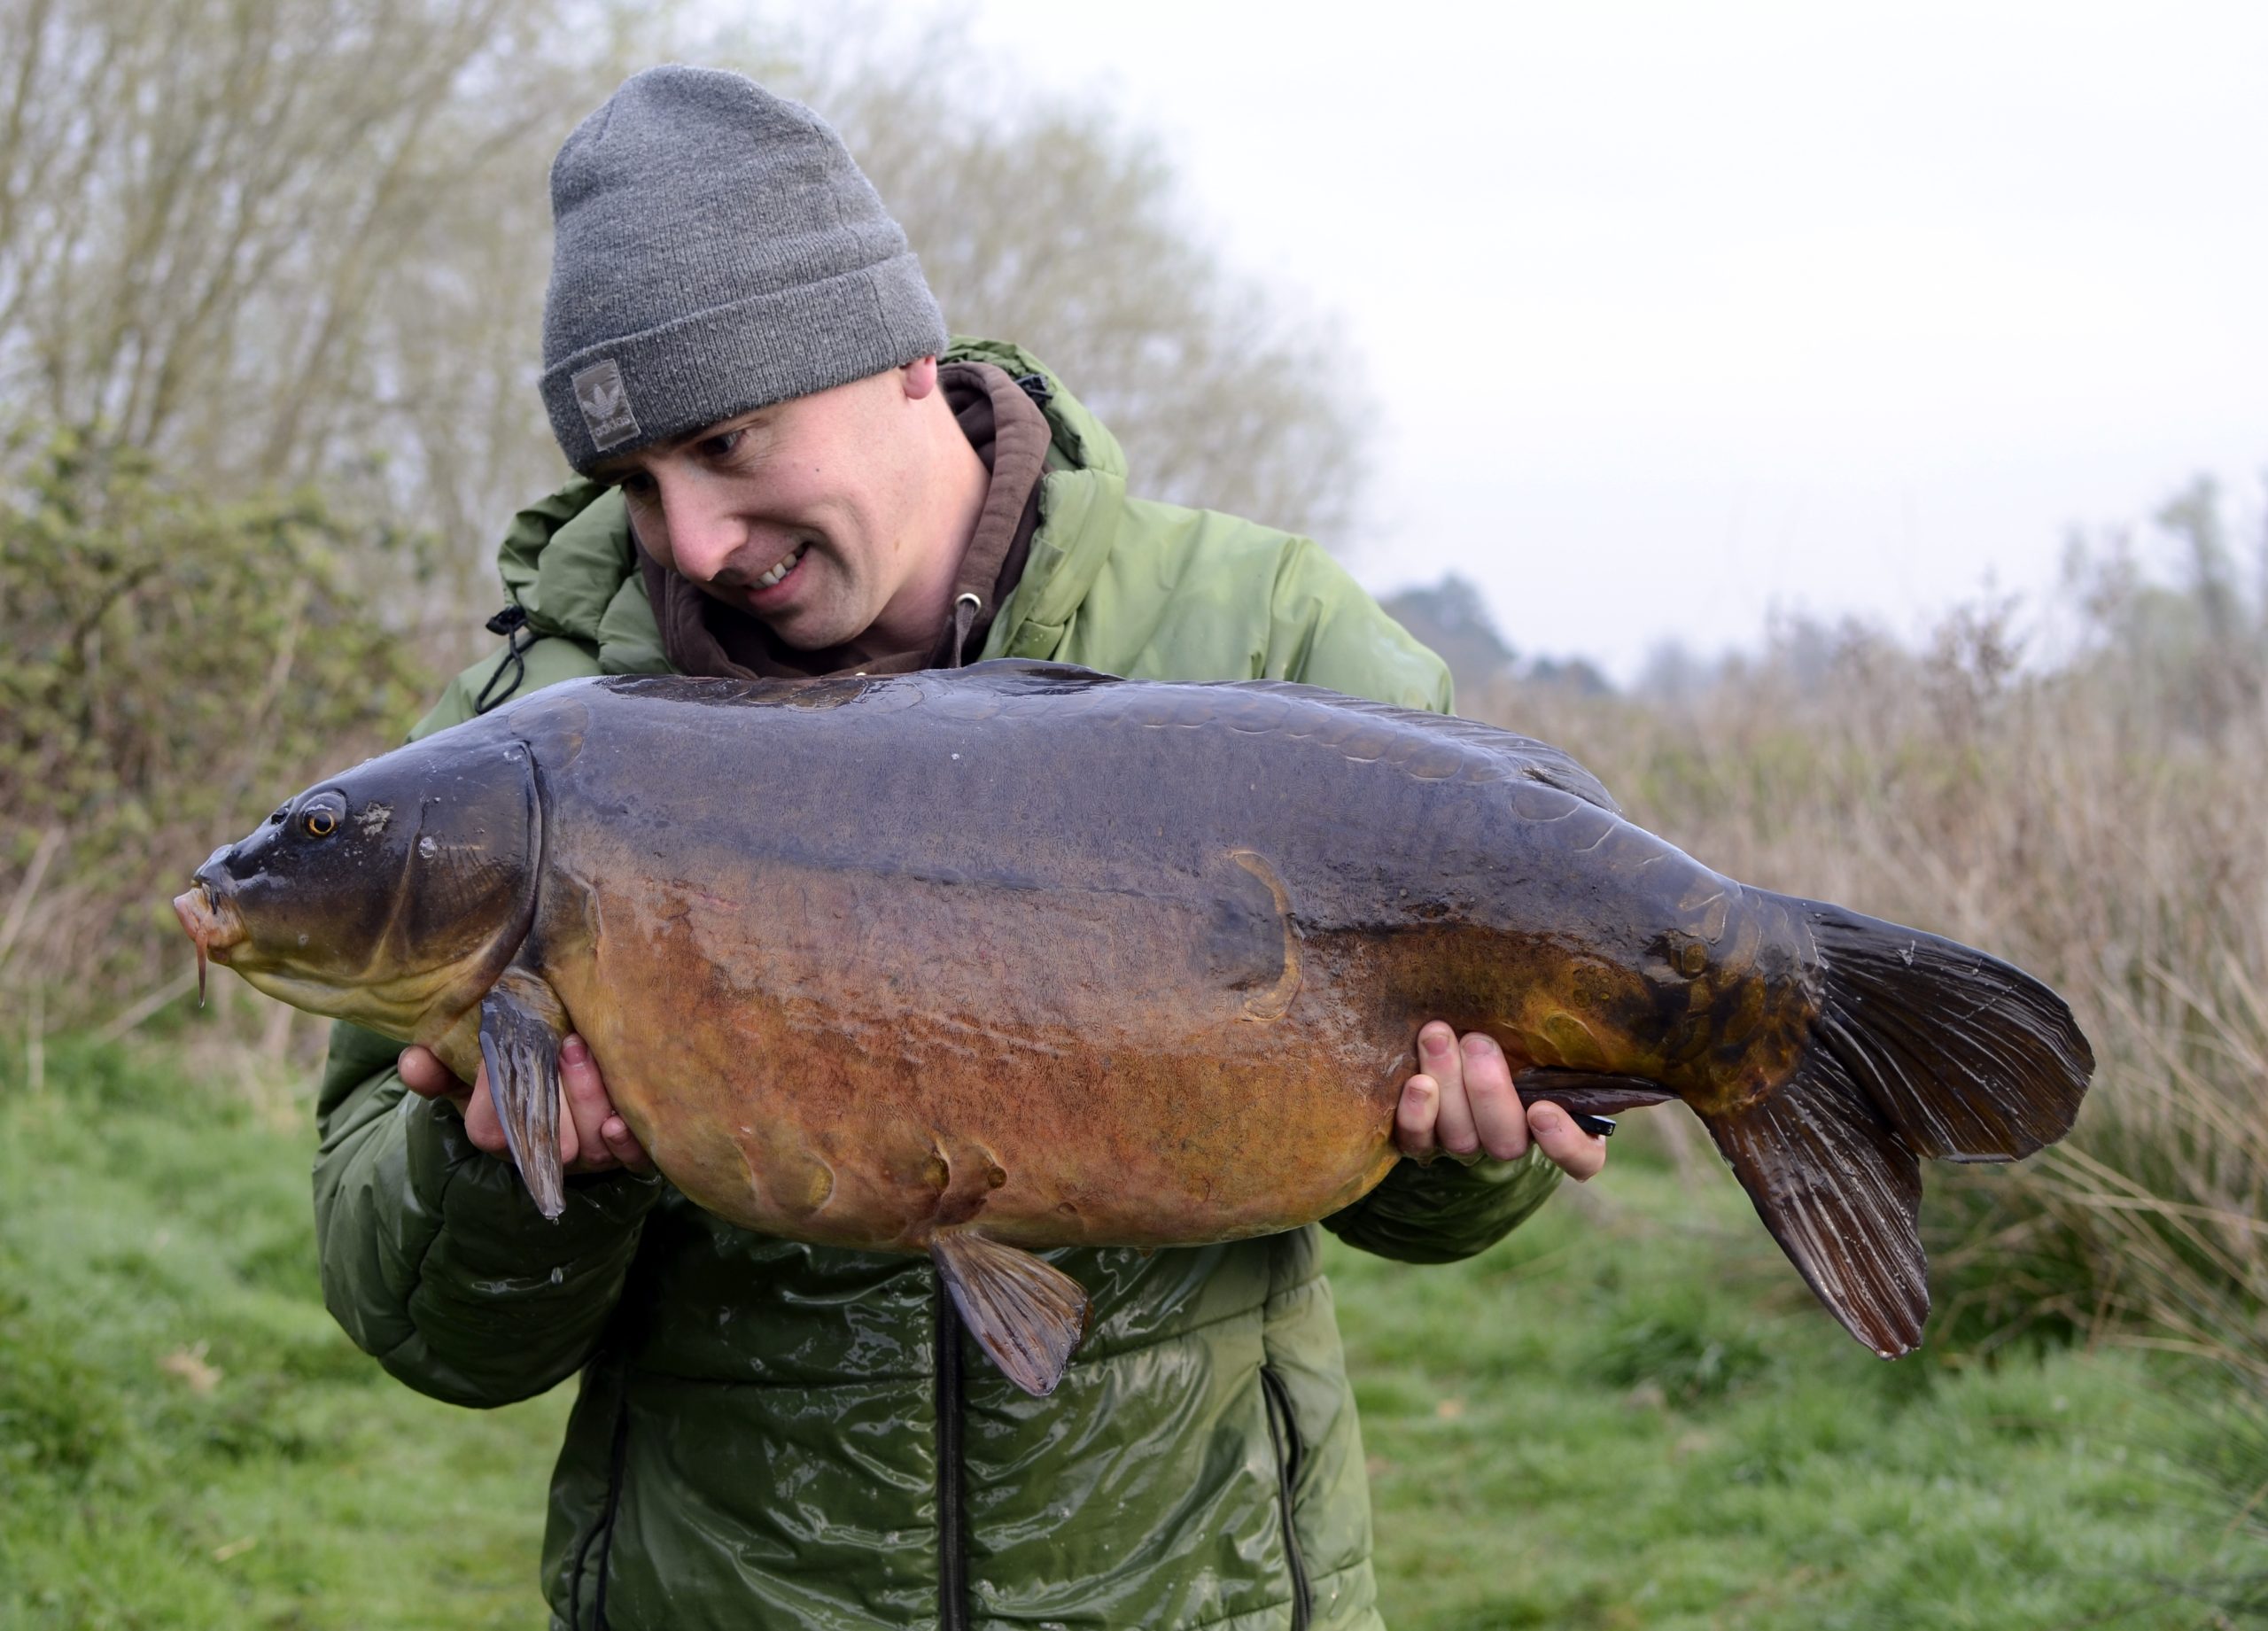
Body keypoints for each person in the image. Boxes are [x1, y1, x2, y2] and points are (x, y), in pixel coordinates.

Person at [313, 65, 1607, 1630]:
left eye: (727, 443)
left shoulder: (1265, 641)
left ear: (906, 360)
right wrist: (519, 1169)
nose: (697, 540)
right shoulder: (510, 756)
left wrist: (1462, 1155)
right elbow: (422, 1324)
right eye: (636, 484)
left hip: (1193, 1590)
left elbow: (1426, 1206)